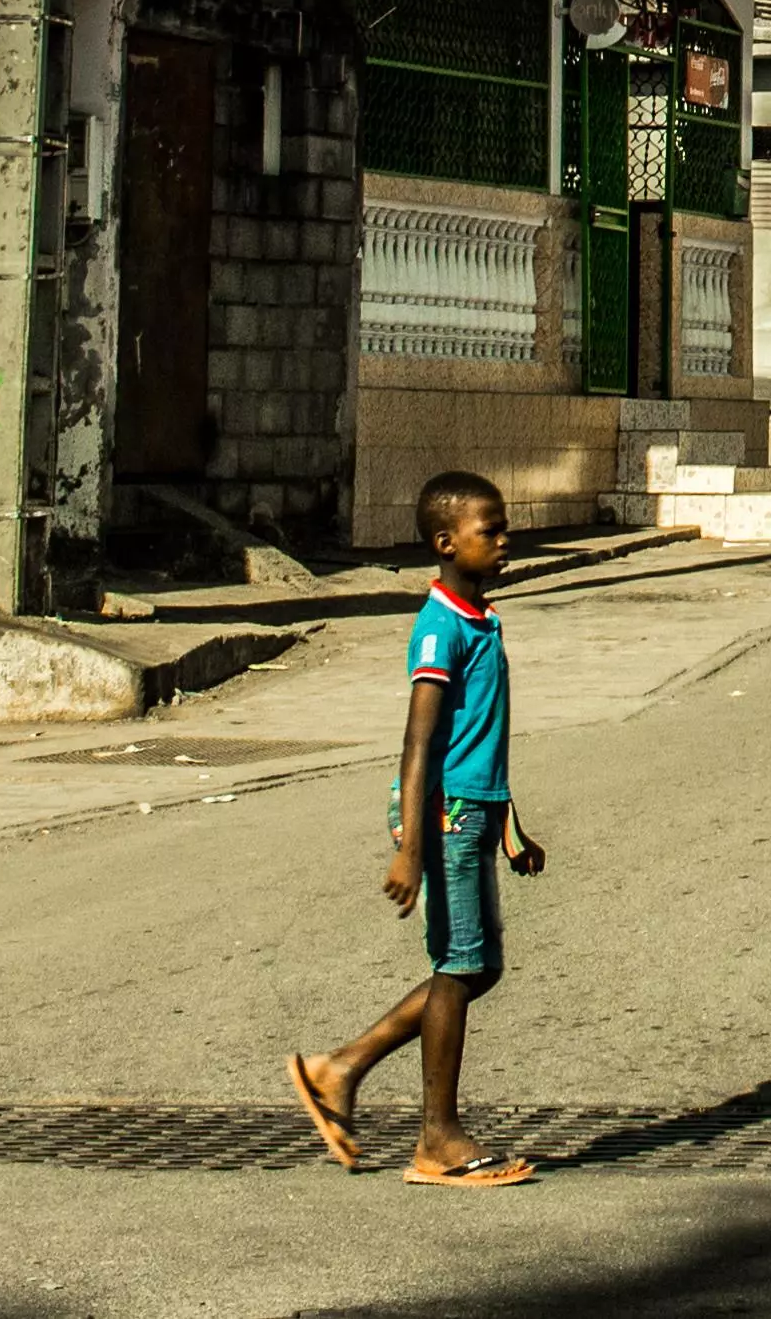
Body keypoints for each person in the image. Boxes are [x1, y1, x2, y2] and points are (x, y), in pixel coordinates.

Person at [287, 470, 546, 1186]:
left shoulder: (479, 617)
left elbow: (479, 737)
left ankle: (339, 1067)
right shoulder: (439, 627)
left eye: (502, 527)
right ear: (444, 541)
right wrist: (410, 846)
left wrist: (510, 823)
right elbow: (421, 742)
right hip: (444, 817)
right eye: (488, 529)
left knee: (475, 966)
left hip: (473, 811)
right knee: (459, 968)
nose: (503, 539)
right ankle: (437, 1139)